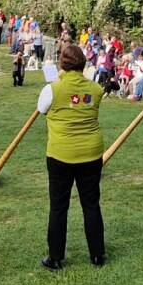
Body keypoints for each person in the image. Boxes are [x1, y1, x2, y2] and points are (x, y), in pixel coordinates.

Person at [36, 46, 106, 270]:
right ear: (83, 65)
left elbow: (42, 110)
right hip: (91, 153)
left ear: (62, 65)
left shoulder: (52, 89)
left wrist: (61, 81)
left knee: (58, 206)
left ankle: (55, 257)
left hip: (61, 154)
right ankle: (97, 254)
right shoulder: (96, 89)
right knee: (91, 204)